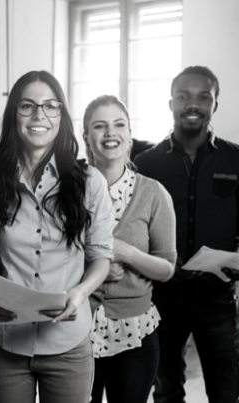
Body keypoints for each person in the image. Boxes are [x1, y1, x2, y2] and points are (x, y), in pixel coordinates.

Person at [0, 70, 114, 403]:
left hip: (67, 344)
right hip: (5, 342)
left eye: (51, 106)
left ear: (61, 116)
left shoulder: (89, 182)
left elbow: (101, 258)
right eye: (28, 106)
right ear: (14, 115)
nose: (40, 116)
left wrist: (80, 293)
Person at [135, 65, 239, 403]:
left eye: (204, 96)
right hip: (163, 300)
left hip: (217, 299)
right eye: (184, 96)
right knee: (166, 391)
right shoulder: (146, 165)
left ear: (215, 104)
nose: (193, 104)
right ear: (170, 102)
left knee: (227, 393)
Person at [82, 95, 176, 403]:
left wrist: (126, 253)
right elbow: (47, 256)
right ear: (86, 137)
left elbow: (166, 269)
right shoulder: (66, 192)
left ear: (129, 134)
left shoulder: (153, 194)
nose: (110, 133)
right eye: (100, 126)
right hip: (75, 331)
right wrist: (95, 268)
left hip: (134, 335)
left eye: (119, 124)